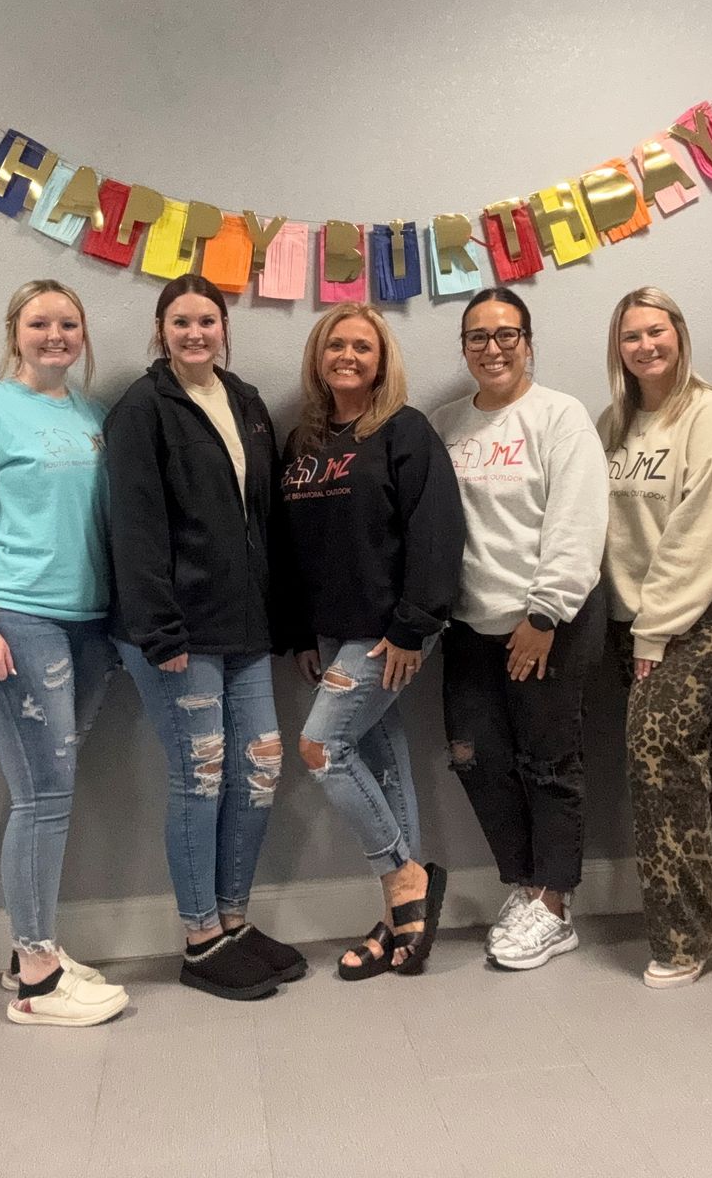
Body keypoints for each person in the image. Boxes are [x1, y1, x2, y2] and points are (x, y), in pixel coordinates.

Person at [0, 279, 130, 1026]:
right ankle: (39, 978)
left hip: (89, 624)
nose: (55, 335)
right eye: (40, 323)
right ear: (15, 331)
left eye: (69, 324)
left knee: (51, 790)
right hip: (14, 618)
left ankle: (30, 952)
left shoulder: (94, 416)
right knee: (41, 794)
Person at [105, 274, 303, 1000]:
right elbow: (134, 525)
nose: (195, 333)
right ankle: (198, 940)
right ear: (161, 331)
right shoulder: (141, 409)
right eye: (181, 322)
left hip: (244, 625)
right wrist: (160, 630)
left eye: (207, 321)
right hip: (176, 630)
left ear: (224, 329)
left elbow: (264, 519)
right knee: (202, 774)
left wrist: (282, 618)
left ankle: (233, 921)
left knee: (260, 768)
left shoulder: (245, 401)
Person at [278, 304, 462, 978]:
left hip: (390, 634)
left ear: (381, 361)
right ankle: (399, 923)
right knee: (382, 760)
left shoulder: (404, 432)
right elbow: (295, 547)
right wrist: (302, 631)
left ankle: (403, 877)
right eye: (336, 344)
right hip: (332, 632)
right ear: (318, 356)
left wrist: (414, 625)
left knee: (321, 748)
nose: (348, 356)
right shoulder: (303, 442)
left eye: (363, 346)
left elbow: (437, 532)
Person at [431, 287, 607, 971]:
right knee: (476, 758)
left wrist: (543, 615)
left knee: (550, 764)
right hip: (469, 627)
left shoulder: (560, 417)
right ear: (464, 348)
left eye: (507, 334)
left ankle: (555, 906)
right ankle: (528, 886)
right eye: (478, 336)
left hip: (546, 623)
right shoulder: (445, 425)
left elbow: (578, 523)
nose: (493, 347)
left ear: (528, 342)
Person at [599, 287, 712, 989]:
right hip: (639, 618)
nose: (645, 345)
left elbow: (704, 535)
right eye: (631, 335)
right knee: (698, 754)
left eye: (656, 331)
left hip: (711, 613)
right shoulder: (614, 422)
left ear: (679, 335)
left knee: (656, 753)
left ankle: (683, 940)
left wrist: (654, 632)